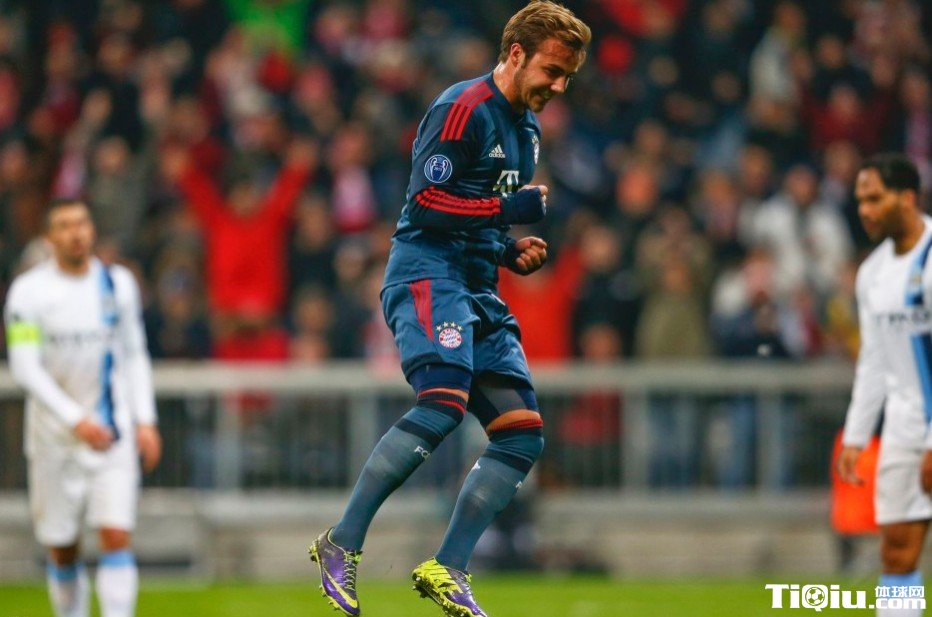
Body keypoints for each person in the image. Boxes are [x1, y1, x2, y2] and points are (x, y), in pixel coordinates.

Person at [308, 2, 590, 616]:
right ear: (516, 54)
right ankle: (342, 542)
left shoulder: (528, 131)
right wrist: (508, 212)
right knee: (443, 404)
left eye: (568, 77)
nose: (558, 87)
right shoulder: (462, 108)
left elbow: (476, 216)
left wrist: (508, 249)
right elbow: (426, 204)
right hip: (427, 273)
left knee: (522, 435)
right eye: (552, 70)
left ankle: (448, 566)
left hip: (478, 284)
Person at [4, 198, 161, 617]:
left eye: (82, 223)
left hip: (111, 432)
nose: (76, 233)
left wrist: (145, 419)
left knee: (116, 534)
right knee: (62, 546)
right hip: (54, 438)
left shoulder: (117, 284)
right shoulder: (28, 292)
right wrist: (75, 420)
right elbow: (24, 367)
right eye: (64, 225)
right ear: (48, 236)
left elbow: (133, 352)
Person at [838, 153, 930, 616]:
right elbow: (874, 360)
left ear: (907, 198)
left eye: (875, 199)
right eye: (860, 201)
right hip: (902, 427)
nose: (865, 210)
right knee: (896, 551)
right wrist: (856, 435)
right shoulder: (872, 273)